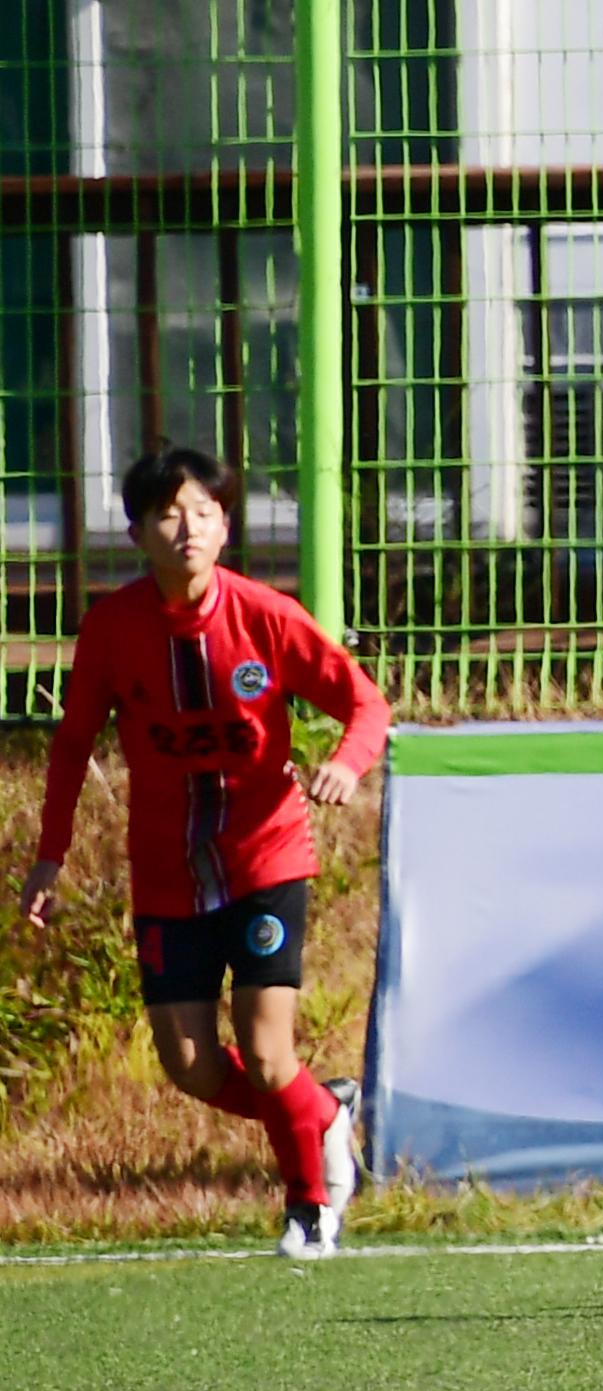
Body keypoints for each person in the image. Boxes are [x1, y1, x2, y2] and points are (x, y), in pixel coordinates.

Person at [20, 448, 389, 1260]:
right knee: (190, 1067)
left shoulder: (267, 616)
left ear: (225, 526)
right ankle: (323, 1115)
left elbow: (366, 704)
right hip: (166, 872)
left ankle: (310, 1206)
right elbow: (74, 743)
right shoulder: (113, 629)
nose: (185, 527)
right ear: (137, 533)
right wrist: (51, 856)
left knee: (265, 1054)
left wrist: (346, 763)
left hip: (267, 858)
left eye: (202, 512)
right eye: (166, 513)